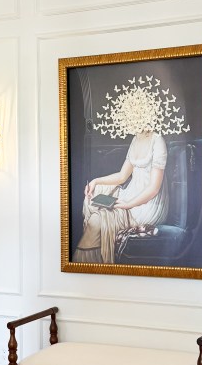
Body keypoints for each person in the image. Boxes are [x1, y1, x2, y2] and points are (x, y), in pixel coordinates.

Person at [72, 76, 187, 264]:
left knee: (96, 221)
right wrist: (95, 181)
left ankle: (86, 262)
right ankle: (88, 262)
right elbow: (122, 176)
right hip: (132, 194)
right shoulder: (136, 139)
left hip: (148, 205)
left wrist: (128, 204)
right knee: (94, 195)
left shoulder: (157, 141)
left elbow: (153, 189)